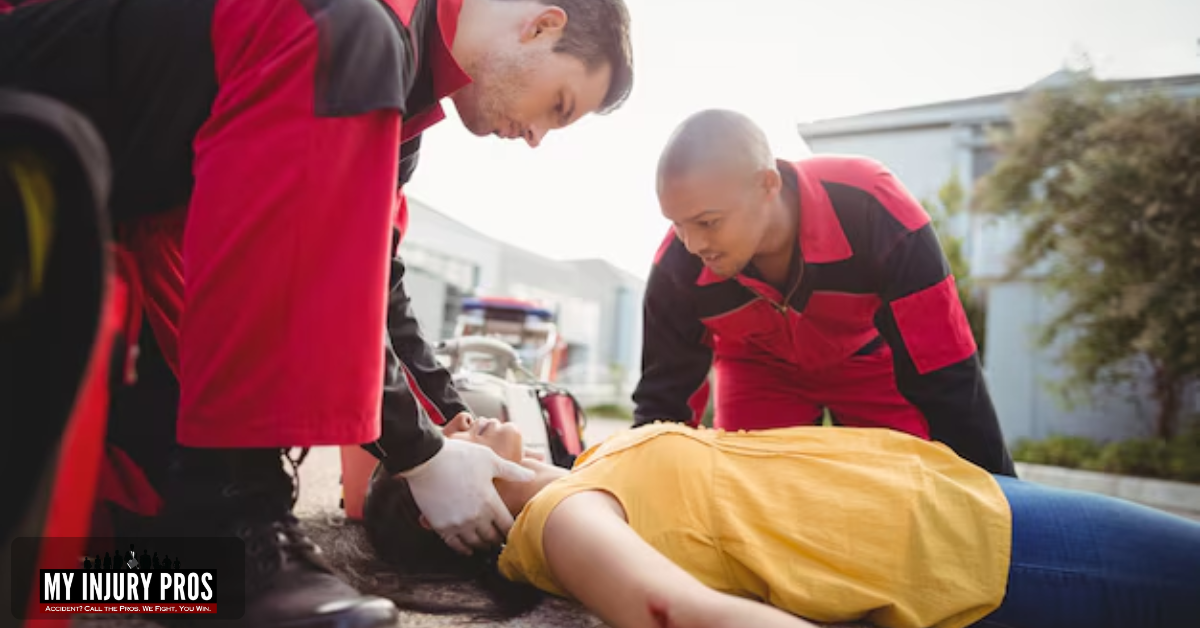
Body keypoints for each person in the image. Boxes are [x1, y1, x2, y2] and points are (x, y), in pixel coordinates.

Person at [0, 0, 633, 625]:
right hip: (37, 134)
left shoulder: (400, 106)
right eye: (558, 107)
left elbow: (374, 290)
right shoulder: (359, 30)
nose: (534, 138)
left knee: (149, 560)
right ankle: (236, 504)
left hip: (103, 227)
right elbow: (314, 257)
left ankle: (40, 576)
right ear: (543, 24)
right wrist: (421, 452)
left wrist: (441, 435)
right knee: (209, 517)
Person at [364, 414, 1200, 628]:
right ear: (455, 520)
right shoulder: (566, 521)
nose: (456, 429)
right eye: (441, 451)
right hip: (976, 556)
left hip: (960, 503)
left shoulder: (572, 480)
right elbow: (674, 613)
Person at [631, 109, 1014, 475]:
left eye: (707, 222)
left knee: (909, 488)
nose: (693, 244)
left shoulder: (873, 207)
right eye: (678, 224)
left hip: (868, 359)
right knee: (756, 500)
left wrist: (1008, 505)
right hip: (757, 369)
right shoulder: (675, 265)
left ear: (768, 184)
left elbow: (945, 370)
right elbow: (663, 406)